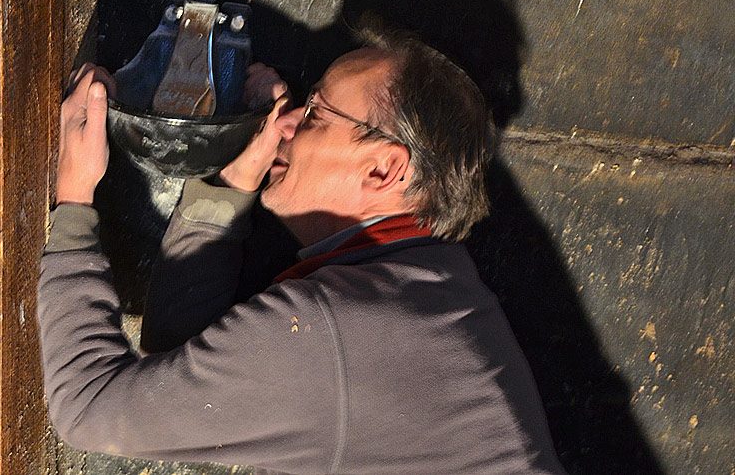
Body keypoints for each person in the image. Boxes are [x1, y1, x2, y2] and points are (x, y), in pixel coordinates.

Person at [38, 28, 566, 474]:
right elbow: (182, 365)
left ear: (383, 168)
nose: (286, 122)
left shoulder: (341, 327)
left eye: (315, 114)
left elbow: (87, 406)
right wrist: (232, 185)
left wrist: (75, 194)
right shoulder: (428, 282)